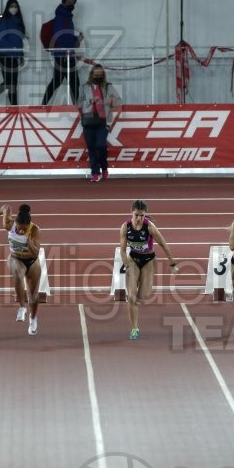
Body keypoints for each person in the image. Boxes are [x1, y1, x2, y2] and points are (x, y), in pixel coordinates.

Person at [119, 200, 178, 340]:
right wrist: (127, 265)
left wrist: (173, 264)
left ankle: (139, 289)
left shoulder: (150, 227)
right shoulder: (125, 227)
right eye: (137, 215)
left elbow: (163, 244)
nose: (139, 218)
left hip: (148, 261)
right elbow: (122, 250)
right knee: (131, 297)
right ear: (131, 212)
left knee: (142, 297)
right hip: (133, 260)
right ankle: (134, 328)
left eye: (142, 215)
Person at [0, 204, 42, 336]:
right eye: (19, 228)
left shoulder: (35, 230)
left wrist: (29, 243)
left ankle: (33, 319)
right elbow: (6, 207)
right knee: (18, 275)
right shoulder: (9, 225)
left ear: (29, 225)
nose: (21, 231)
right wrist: (0, 213)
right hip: (16, 258)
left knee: (34, 297)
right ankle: (21, 307)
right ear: (15, 224)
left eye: (23, 229)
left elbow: (36, 254)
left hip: (32, 261)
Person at [77, 64, 122, 182]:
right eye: (96, 74)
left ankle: (104, 167)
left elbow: (119, 101)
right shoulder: (85, 87)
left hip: (103, 120)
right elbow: (79, 103)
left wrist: (106, 101)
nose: (98, 76)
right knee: (91, 147)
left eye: (101, 74)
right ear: (92, 75)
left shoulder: (108, 86)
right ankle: (95, 173)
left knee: (100, 145)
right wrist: (91, 101)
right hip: (89, 119)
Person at [41, 0, 83, 105]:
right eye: (69, 3)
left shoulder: (67, 17)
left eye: (73, 3)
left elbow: (66, 36)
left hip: (64, 54)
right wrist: (74, 42)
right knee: (73, 82)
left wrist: (76, 39)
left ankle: (43, 105)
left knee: (58, 82)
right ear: (64, 3)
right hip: (64, 55)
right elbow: (60, 36)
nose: (71, 5)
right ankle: (75, 107)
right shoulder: (62, 17)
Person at [0, 0, 26, 106]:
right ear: (8, 8)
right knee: (9, 82)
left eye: (16, 6)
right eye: (12, 6)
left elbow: (19, 40)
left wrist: (21, 55)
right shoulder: (4, 20)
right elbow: (0, 37)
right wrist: (11, 49)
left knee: (13, 83)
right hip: (4, 54)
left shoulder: (19, 22)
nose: (14, 8)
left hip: (14, 56)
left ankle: (13, 105)